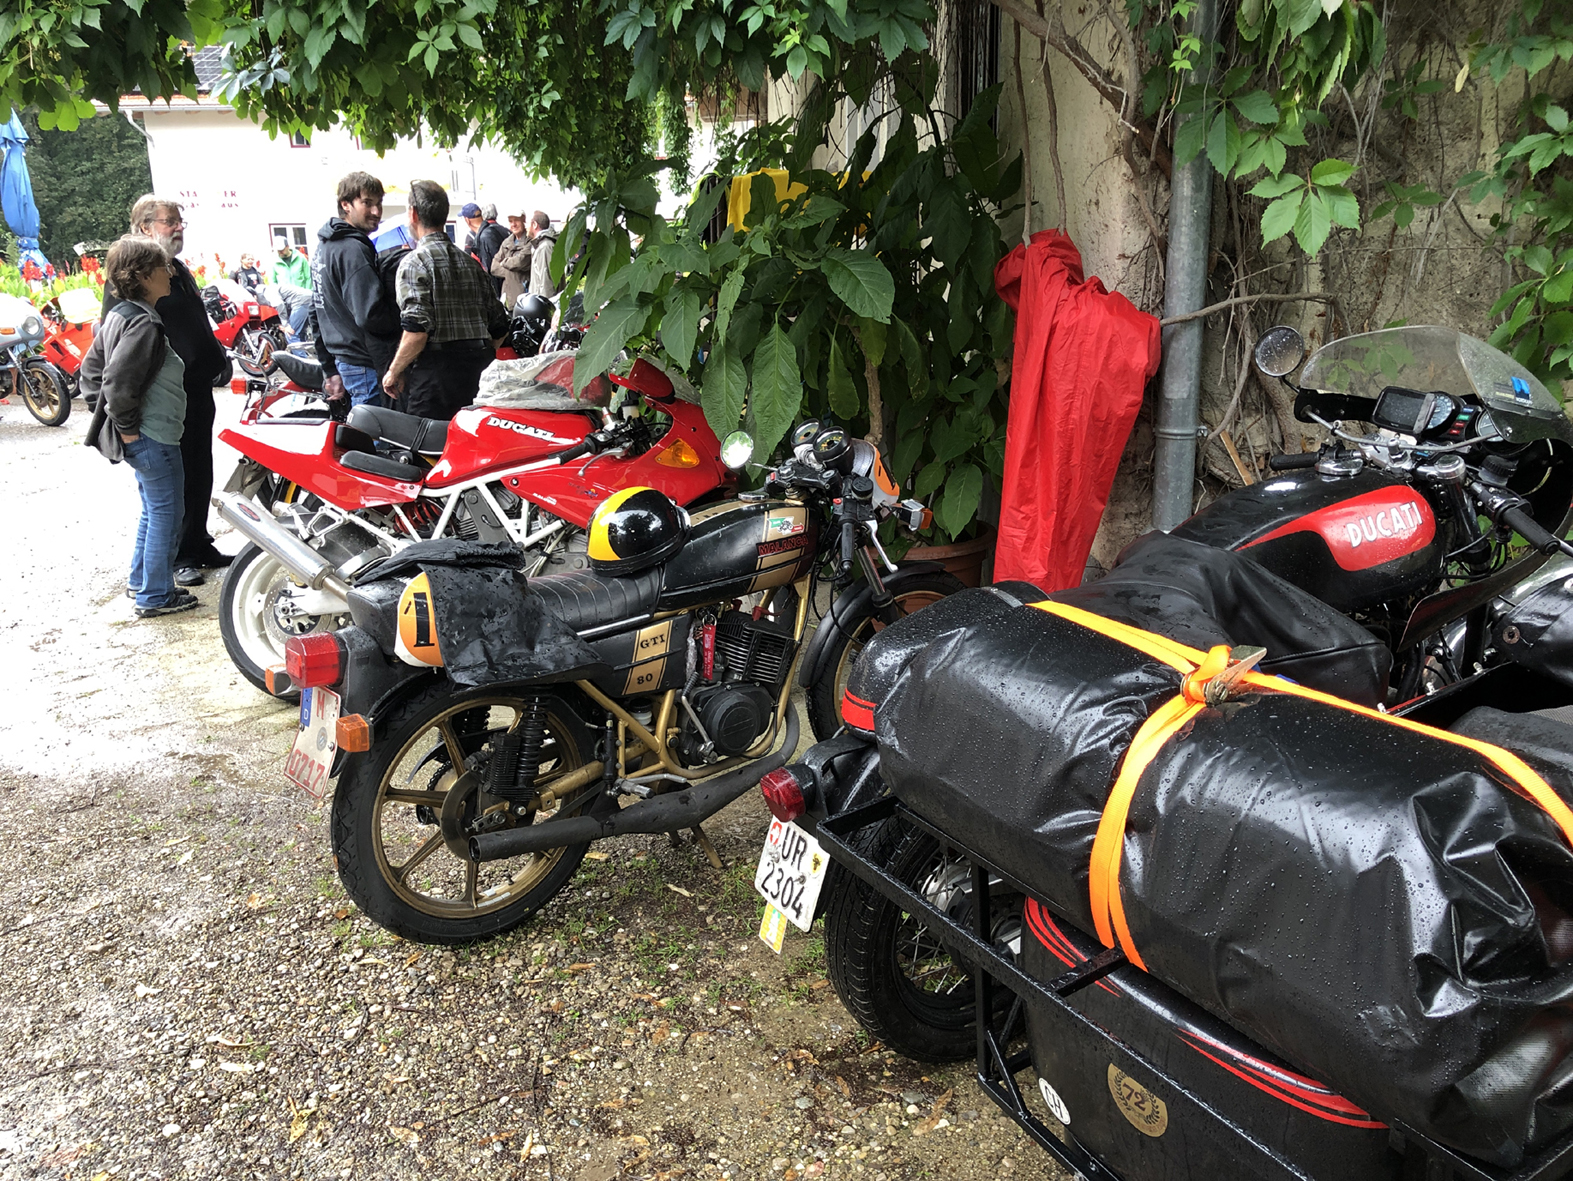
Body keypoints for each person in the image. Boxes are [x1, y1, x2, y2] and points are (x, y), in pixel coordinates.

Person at [102, 196, 231, 586]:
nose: (178, 227)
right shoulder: (131, 278)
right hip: (164, 395)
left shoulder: (176, 268)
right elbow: (115, 347)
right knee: (174, 480)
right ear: (145, 227)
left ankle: (197, 542)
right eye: (169, 221)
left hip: (196, 389)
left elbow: (194, 321)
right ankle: (177, 557)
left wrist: (216, 357)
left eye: (180, 221)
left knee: (200, 469)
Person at [81, 236, 199, 617]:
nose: (170, 273)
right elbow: (116, 382)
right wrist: (126, 428)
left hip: (146, 435)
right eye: (164, 267)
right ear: (144, 276)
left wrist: (106, 416)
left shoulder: (121, 314)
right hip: (153, 436)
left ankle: (141, 582)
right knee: (167, 513)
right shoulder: (144, 323)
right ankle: (155, 596)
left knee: (154, 509)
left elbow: (91, 371)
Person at [383, 180, 509, 420]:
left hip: (436, 379)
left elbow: (417, 331)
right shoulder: (472, 265)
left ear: (413, 214)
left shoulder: (415, 263)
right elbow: (500, 326)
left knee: (428, 443)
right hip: (479, 373)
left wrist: (394, 371)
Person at [310, 172, 402, 409]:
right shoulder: (353, 249)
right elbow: (370, 314)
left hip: (345, 359)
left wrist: (329, 367)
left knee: (363, 424)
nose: (376, 211)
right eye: (367, 203)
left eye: (379, 203)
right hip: (363, 360)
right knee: (375, 429)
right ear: (346, 205)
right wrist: (404, 323)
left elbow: (315, 310)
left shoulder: (324, 247)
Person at [490, 210, 534, 305]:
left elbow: (520, 262)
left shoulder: (530, 241)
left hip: (525, 298)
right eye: (510, 221)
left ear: (523, 220)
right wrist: (513, 272)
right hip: (507, 297)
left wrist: (503, 263)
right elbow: (493, 267)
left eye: (516, 220)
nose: (513, 224)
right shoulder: (506, 242)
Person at [529, 212, 560, 298]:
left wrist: (543, 304)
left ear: (534, 224)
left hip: (542, 303)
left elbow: (546, 283)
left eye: (528, 223)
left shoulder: (545, 247)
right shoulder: (541, 245)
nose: (526, 227)